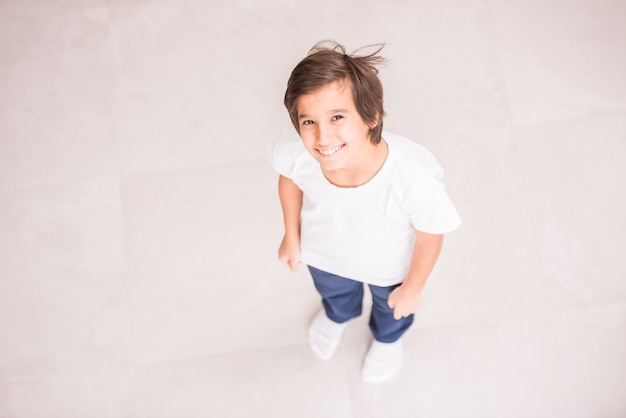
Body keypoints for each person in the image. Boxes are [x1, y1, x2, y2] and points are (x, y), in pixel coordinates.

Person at [269, 41, 461, 384]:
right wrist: (292, 235)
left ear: (371, 116)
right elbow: (289, 179)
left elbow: (431, 234)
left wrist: (413, 287)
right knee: (334, 293)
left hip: (389, 269)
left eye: (337, 117)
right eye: (308, 121)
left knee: (393, 312)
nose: (322, 136)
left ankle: (388, 341)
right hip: (325, 253)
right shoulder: (296, 152)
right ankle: (338, 315)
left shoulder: (411, 178)